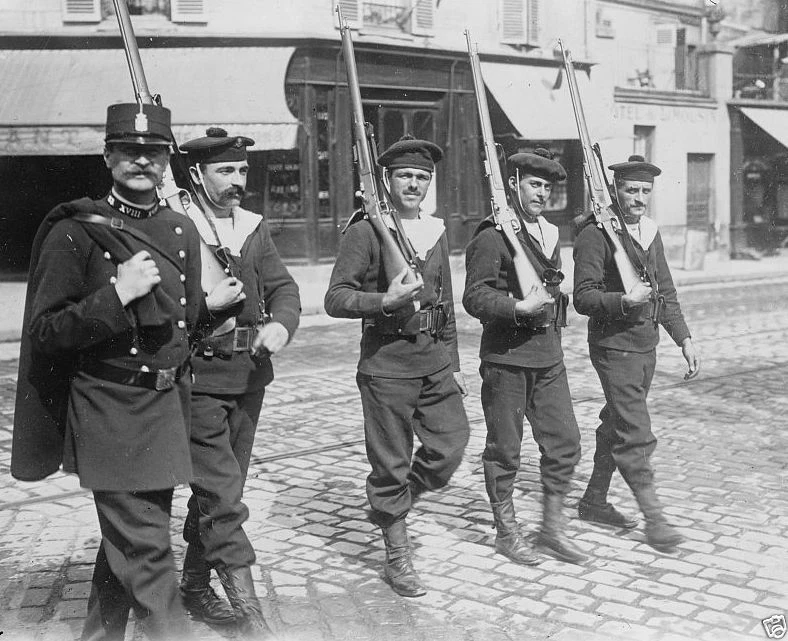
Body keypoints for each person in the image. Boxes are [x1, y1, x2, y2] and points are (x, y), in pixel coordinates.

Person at [11, 103, 243, 640]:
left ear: (167, 162)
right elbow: (46, 332)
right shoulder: (75, 231)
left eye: (154, 152)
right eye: (130, 151)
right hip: (108, 409)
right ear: (109, 155)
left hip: (164, 409)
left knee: (133, 542)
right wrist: (116, 294)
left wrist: (214, 308)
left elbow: (180, 323)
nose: (142, 161)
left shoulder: (180, 228)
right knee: (148, 552)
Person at [324, 136, 470, 598]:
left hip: (434, 362)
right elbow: (335, 297)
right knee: (390, 462)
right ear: (386, 181)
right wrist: (382, 301)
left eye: (422, 177)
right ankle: (397, 553)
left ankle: (392, 506)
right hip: (386, 366)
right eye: (406, 176)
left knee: (451, 443)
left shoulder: (435, 230)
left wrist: (456, 362)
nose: (414, 184)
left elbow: (444, 301)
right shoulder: (366, 230)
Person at [177, 128, 301, 637]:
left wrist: (282, 324)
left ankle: (191, 583)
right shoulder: (178, 227)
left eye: (242, 170)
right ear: (197, 175)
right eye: (224, 171)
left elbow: (285, 287)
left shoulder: (253, 228)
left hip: (249, 377)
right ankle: (251, 618)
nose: (236, 181)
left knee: (220, 489)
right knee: (224, 497)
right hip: (199, 379)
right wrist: (207, 307)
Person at [463, 149, 586, 566]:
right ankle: (507, 532)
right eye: (535, 184)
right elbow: (475, 295)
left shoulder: (548, 232)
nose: (542, 193)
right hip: (507, 358)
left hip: (548, 356)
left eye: (548, 187)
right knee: (505, 449)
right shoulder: (493, 234)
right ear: (512, 184)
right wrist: (516, 307)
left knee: (565, 441)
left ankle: (551, 529)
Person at [573, 154, 700, 552]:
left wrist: (684, 338)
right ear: (616, 190)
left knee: (617, 422)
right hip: (614, 347)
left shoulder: (648, 231)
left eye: (645, 190)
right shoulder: (596, 234)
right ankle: (655, 520)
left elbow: (666, 289)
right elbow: (583, 297)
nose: (639, 197)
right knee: (636, 431)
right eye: (631, 190)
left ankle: (593, 500)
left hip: (646, 346)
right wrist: (624, 301)